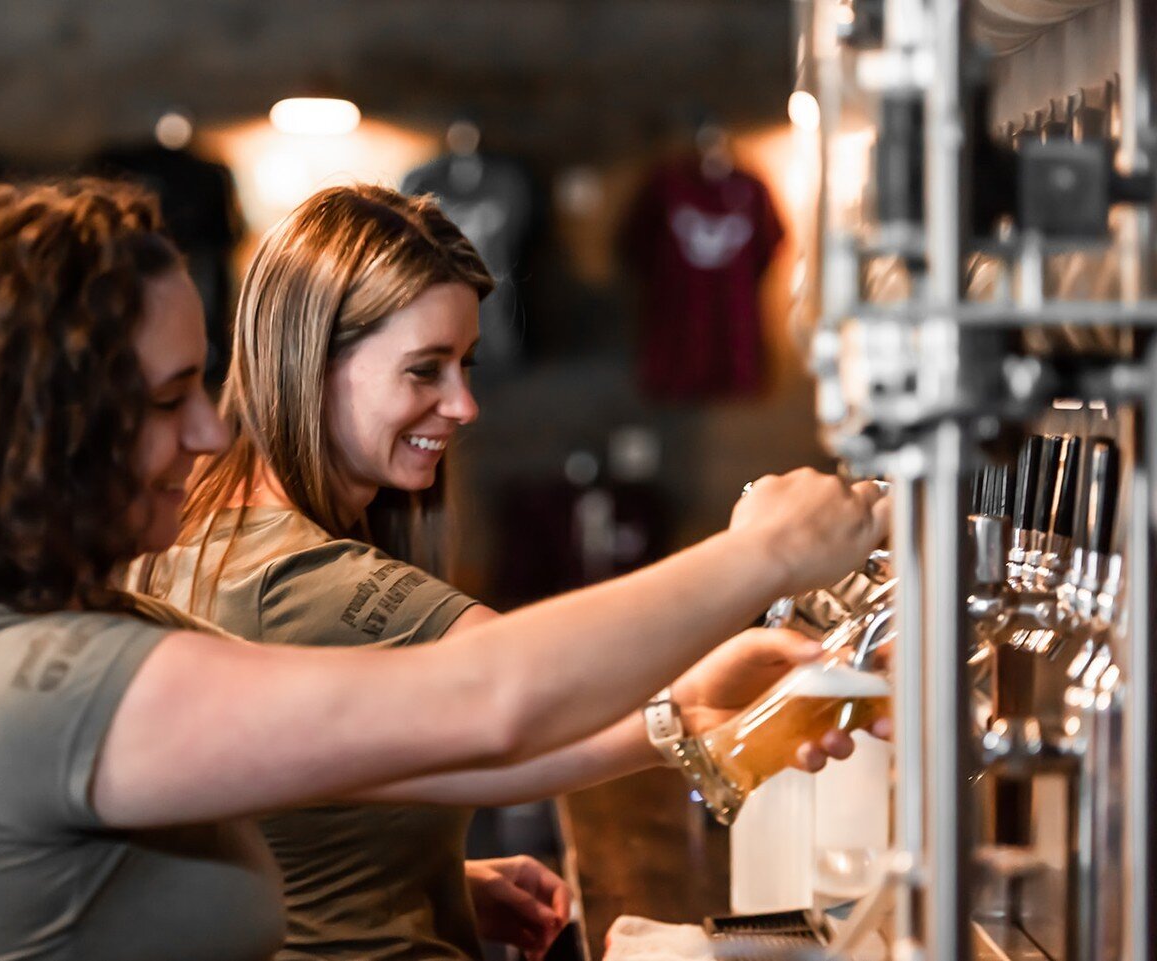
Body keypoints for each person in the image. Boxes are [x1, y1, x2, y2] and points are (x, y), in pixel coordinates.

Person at [0, 178, 887, 961]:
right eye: (170, 400)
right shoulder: (43, 682)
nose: (213, 431)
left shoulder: (52, 634)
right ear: (45, 429)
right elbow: (488, 697)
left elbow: (417, 752)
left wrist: (694, 699)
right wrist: (765, 552)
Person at [133, 185, 877, 960]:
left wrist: (419, 876)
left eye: (464, 365)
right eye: (425, 370)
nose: (463, 404)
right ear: (310, 362)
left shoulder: (215, 533)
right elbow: (524, 689)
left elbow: (278, 827)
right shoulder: (297, 580)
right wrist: (764, 554)